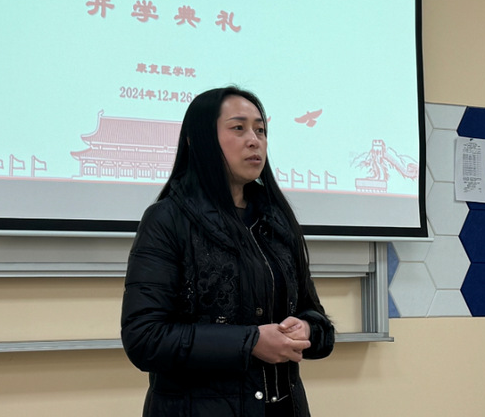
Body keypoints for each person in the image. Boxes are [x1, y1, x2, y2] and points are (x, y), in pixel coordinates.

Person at [121, 86, 335, 417]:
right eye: (238, 128)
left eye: (260, 130)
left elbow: (319, 322)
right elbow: (145, 339)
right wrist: (250, 343)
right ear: (198, 140)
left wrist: (306, 330)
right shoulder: (168, 219)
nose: (254, 140)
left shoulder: (276, 219)